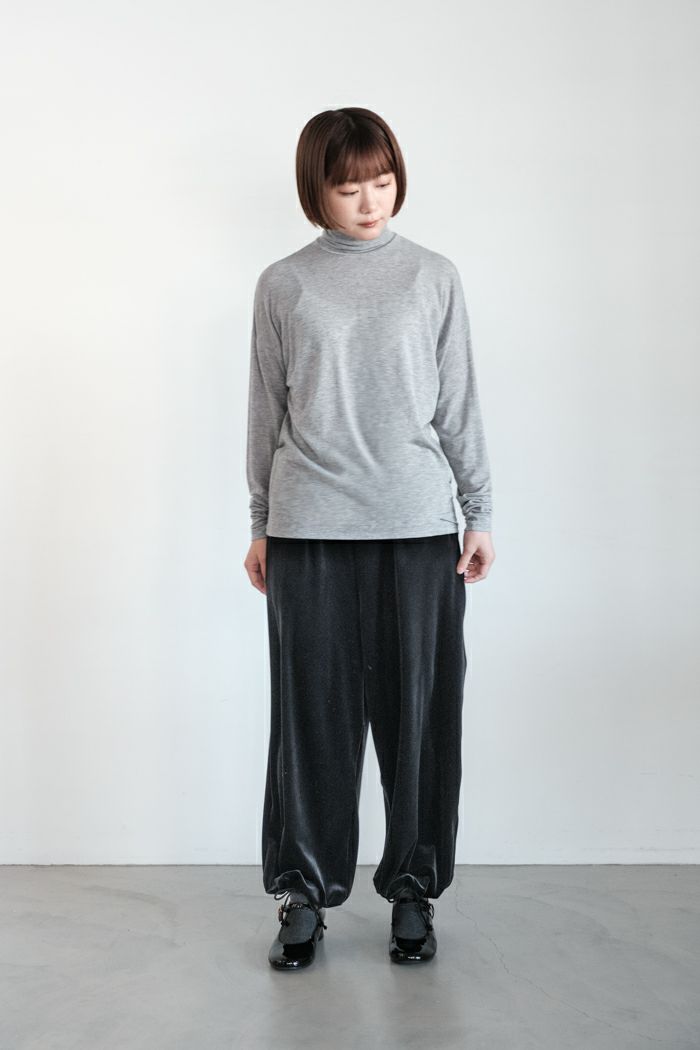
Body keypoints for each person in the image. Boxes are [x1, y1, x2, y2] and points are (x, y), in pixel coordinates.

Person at [244, 106, 495, 970]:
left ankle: (414, 888)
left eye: (381, 182)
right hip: (309, 526)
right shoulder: (284, 284)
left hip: (418, 528)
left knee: (420, 714)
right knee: (312, 718)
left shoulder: (433, 276)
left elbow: (458, 402)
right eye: (348, 186)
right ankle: (303, 894)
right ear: (315, 189)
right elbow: (265, 411)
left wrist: (479, 511)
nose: (368, 201)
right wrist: (259, 524)